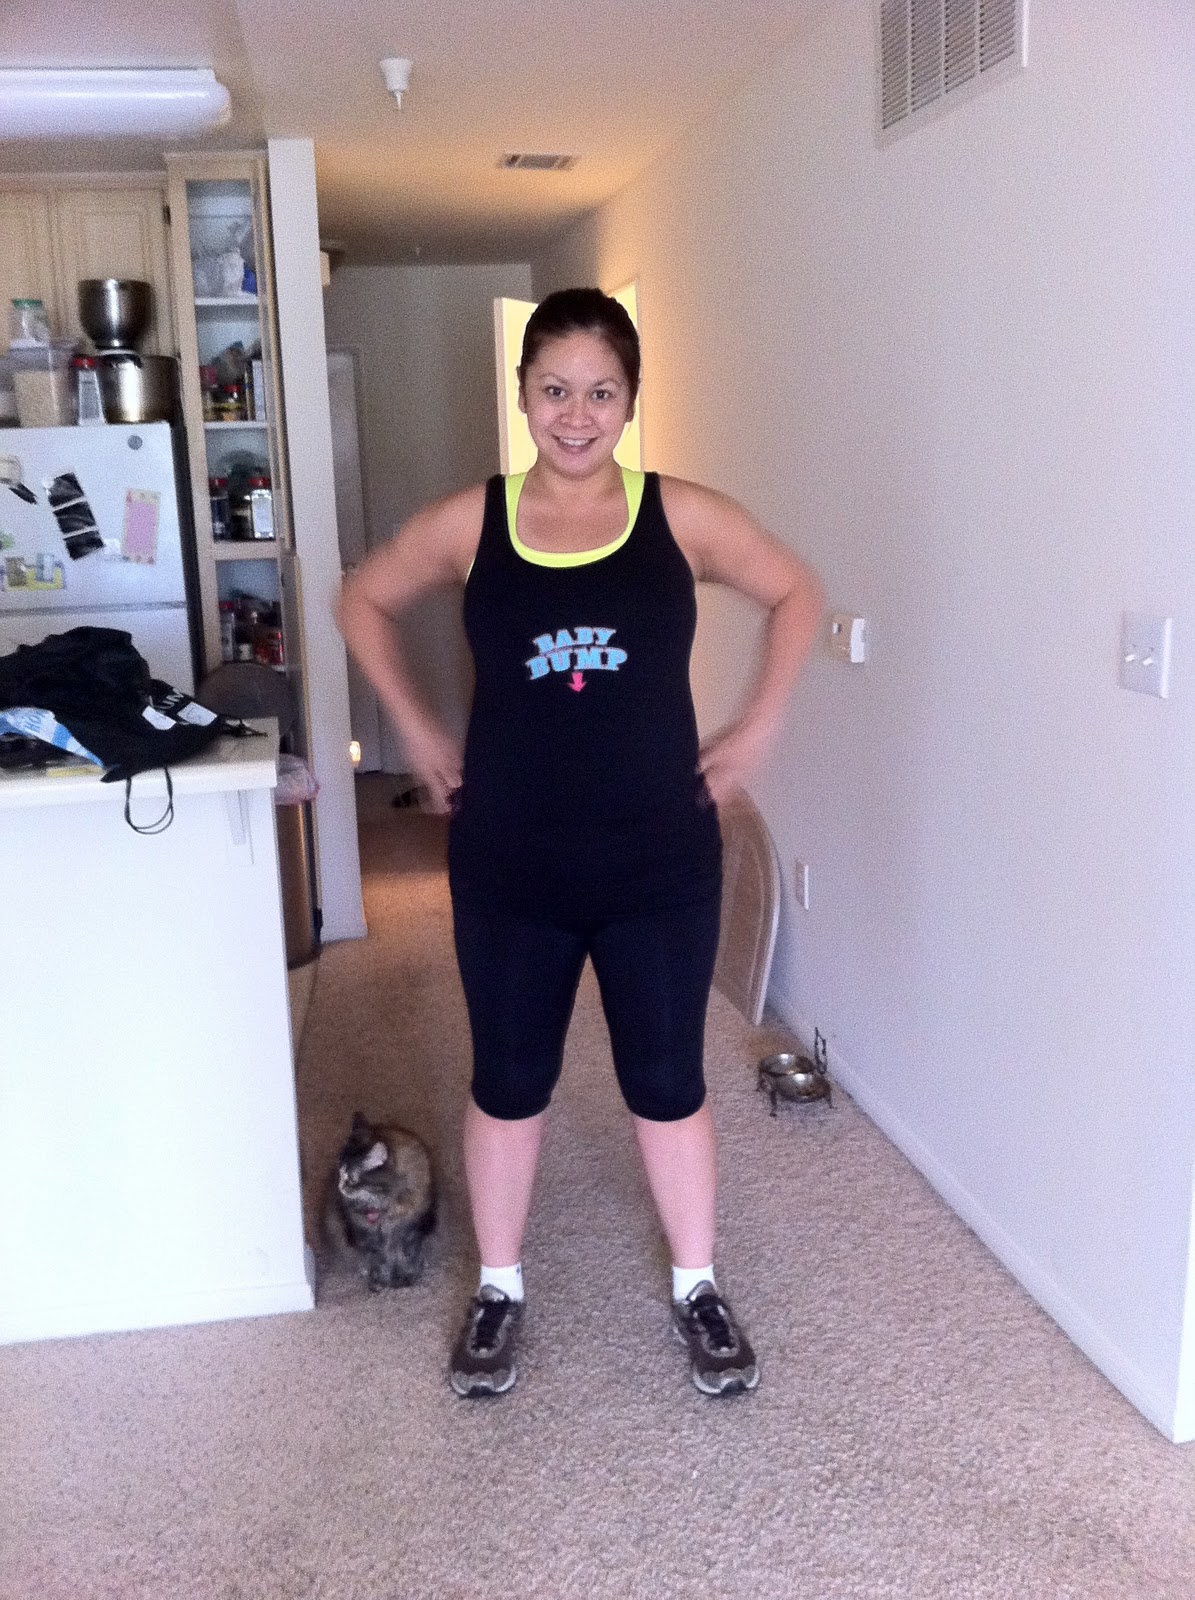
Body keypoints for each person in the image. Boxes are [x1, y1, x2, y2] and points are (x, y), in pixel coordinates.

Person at [337, 288, 822, 1398]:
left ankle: (696, 1285)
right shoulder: (472, 522)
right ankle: (498, 1287)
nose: (575, 414)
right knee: (510, 1083)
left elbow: (795, 590)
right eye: (553, 388)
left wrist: (759, 720)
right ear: (522, 394)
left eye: (601, 392)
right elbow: (363, 598)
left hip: (659, 862)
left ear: (630, 400)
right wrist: (416, 728)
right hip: (512, 862)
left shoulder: (681, 515)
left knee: (667, 1080)